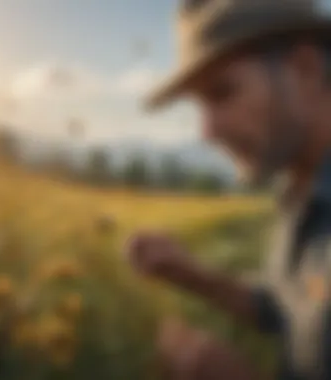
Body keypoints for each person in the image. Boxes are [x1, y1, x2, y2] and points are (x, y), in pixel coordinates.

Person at [125, 0, 331, 379]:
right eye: (200, 105)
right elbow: (285, 306)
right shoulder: (297, 192)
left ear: (305, 70)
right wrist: (191, 275)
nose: (206, 132)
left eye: (223, 93)